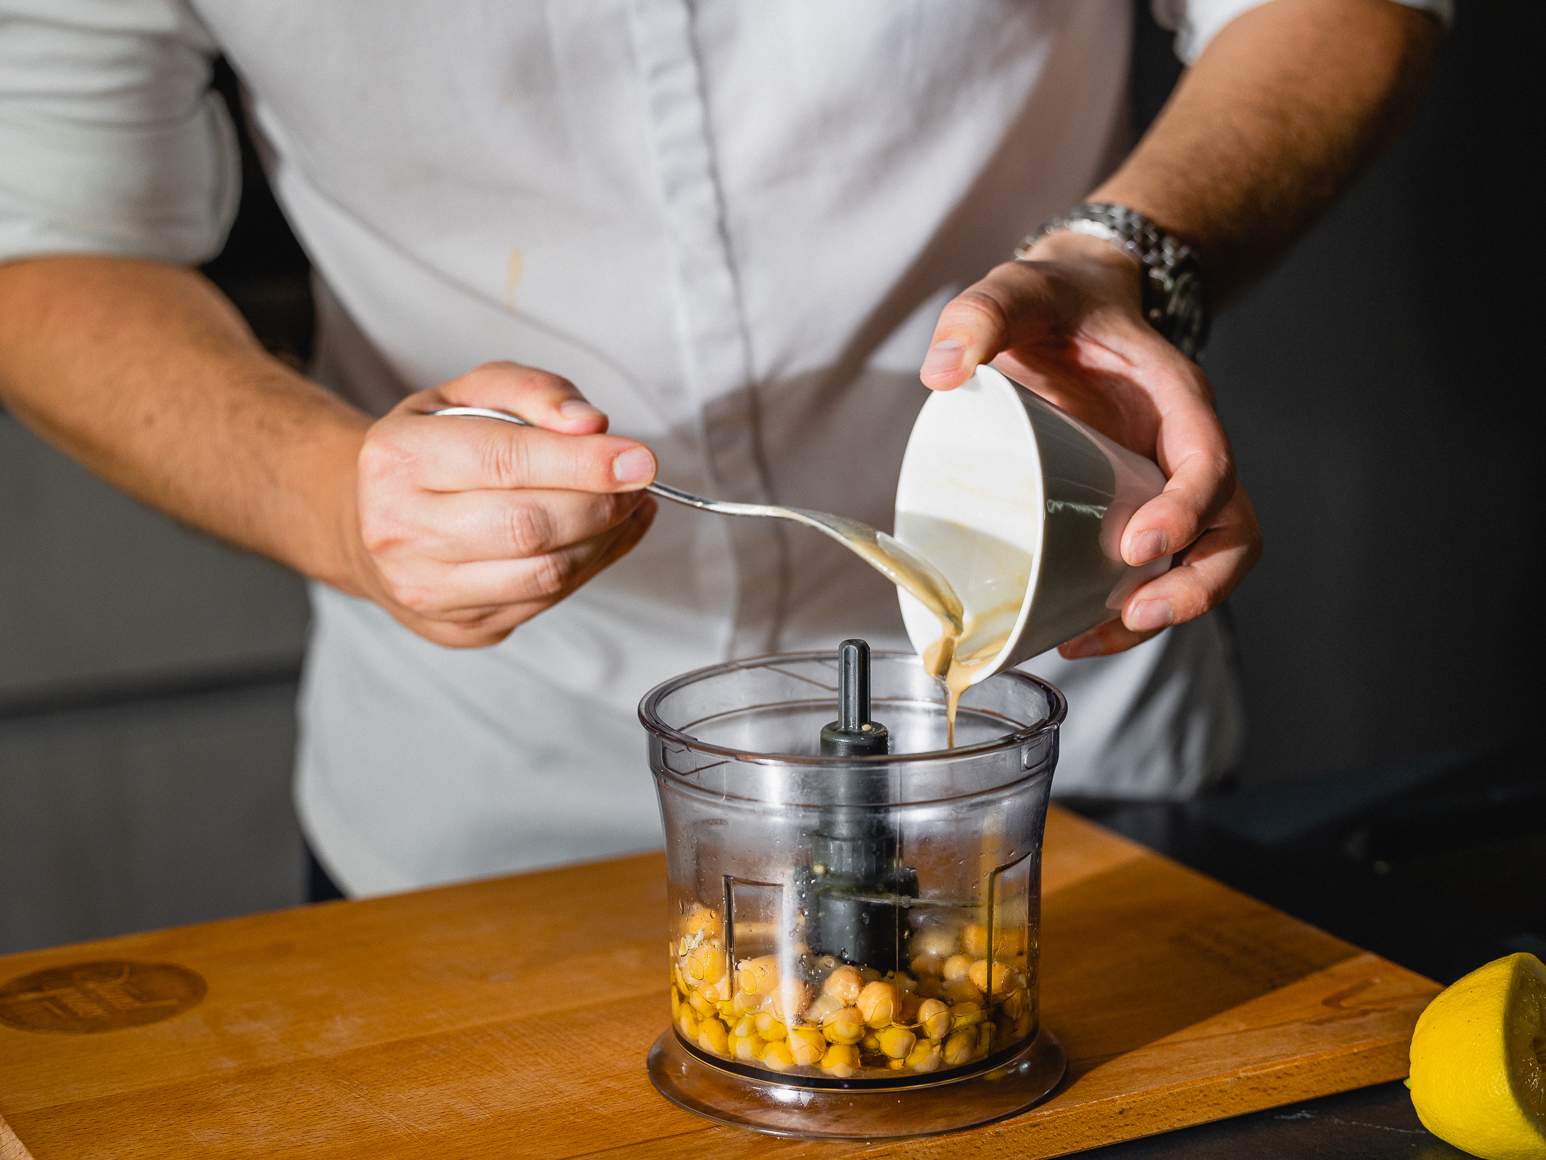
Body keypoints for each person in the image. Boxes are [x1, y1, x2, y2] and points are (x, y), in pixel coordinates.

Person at [0, 0, 1443, 896]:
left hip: (1082, 764)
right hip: (485, 803)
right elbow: (49, 236)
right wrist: (338, 502)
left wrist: (1128, 260)